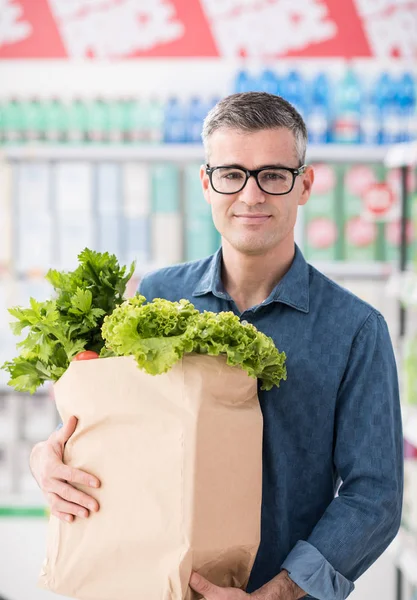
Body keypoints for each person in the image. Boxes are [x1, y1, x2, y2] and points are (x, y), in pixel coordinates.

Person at [29, 92, 403, 600]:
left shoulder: (356, 329)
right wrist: (47, 458)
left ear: (305, 185)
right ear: (207, 183)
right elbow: (112, 429)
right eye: (231, 174)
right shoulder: (157, 296)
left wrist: (279, 593)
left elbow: (374, 496)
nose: (251, 196)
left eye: (273, 175)